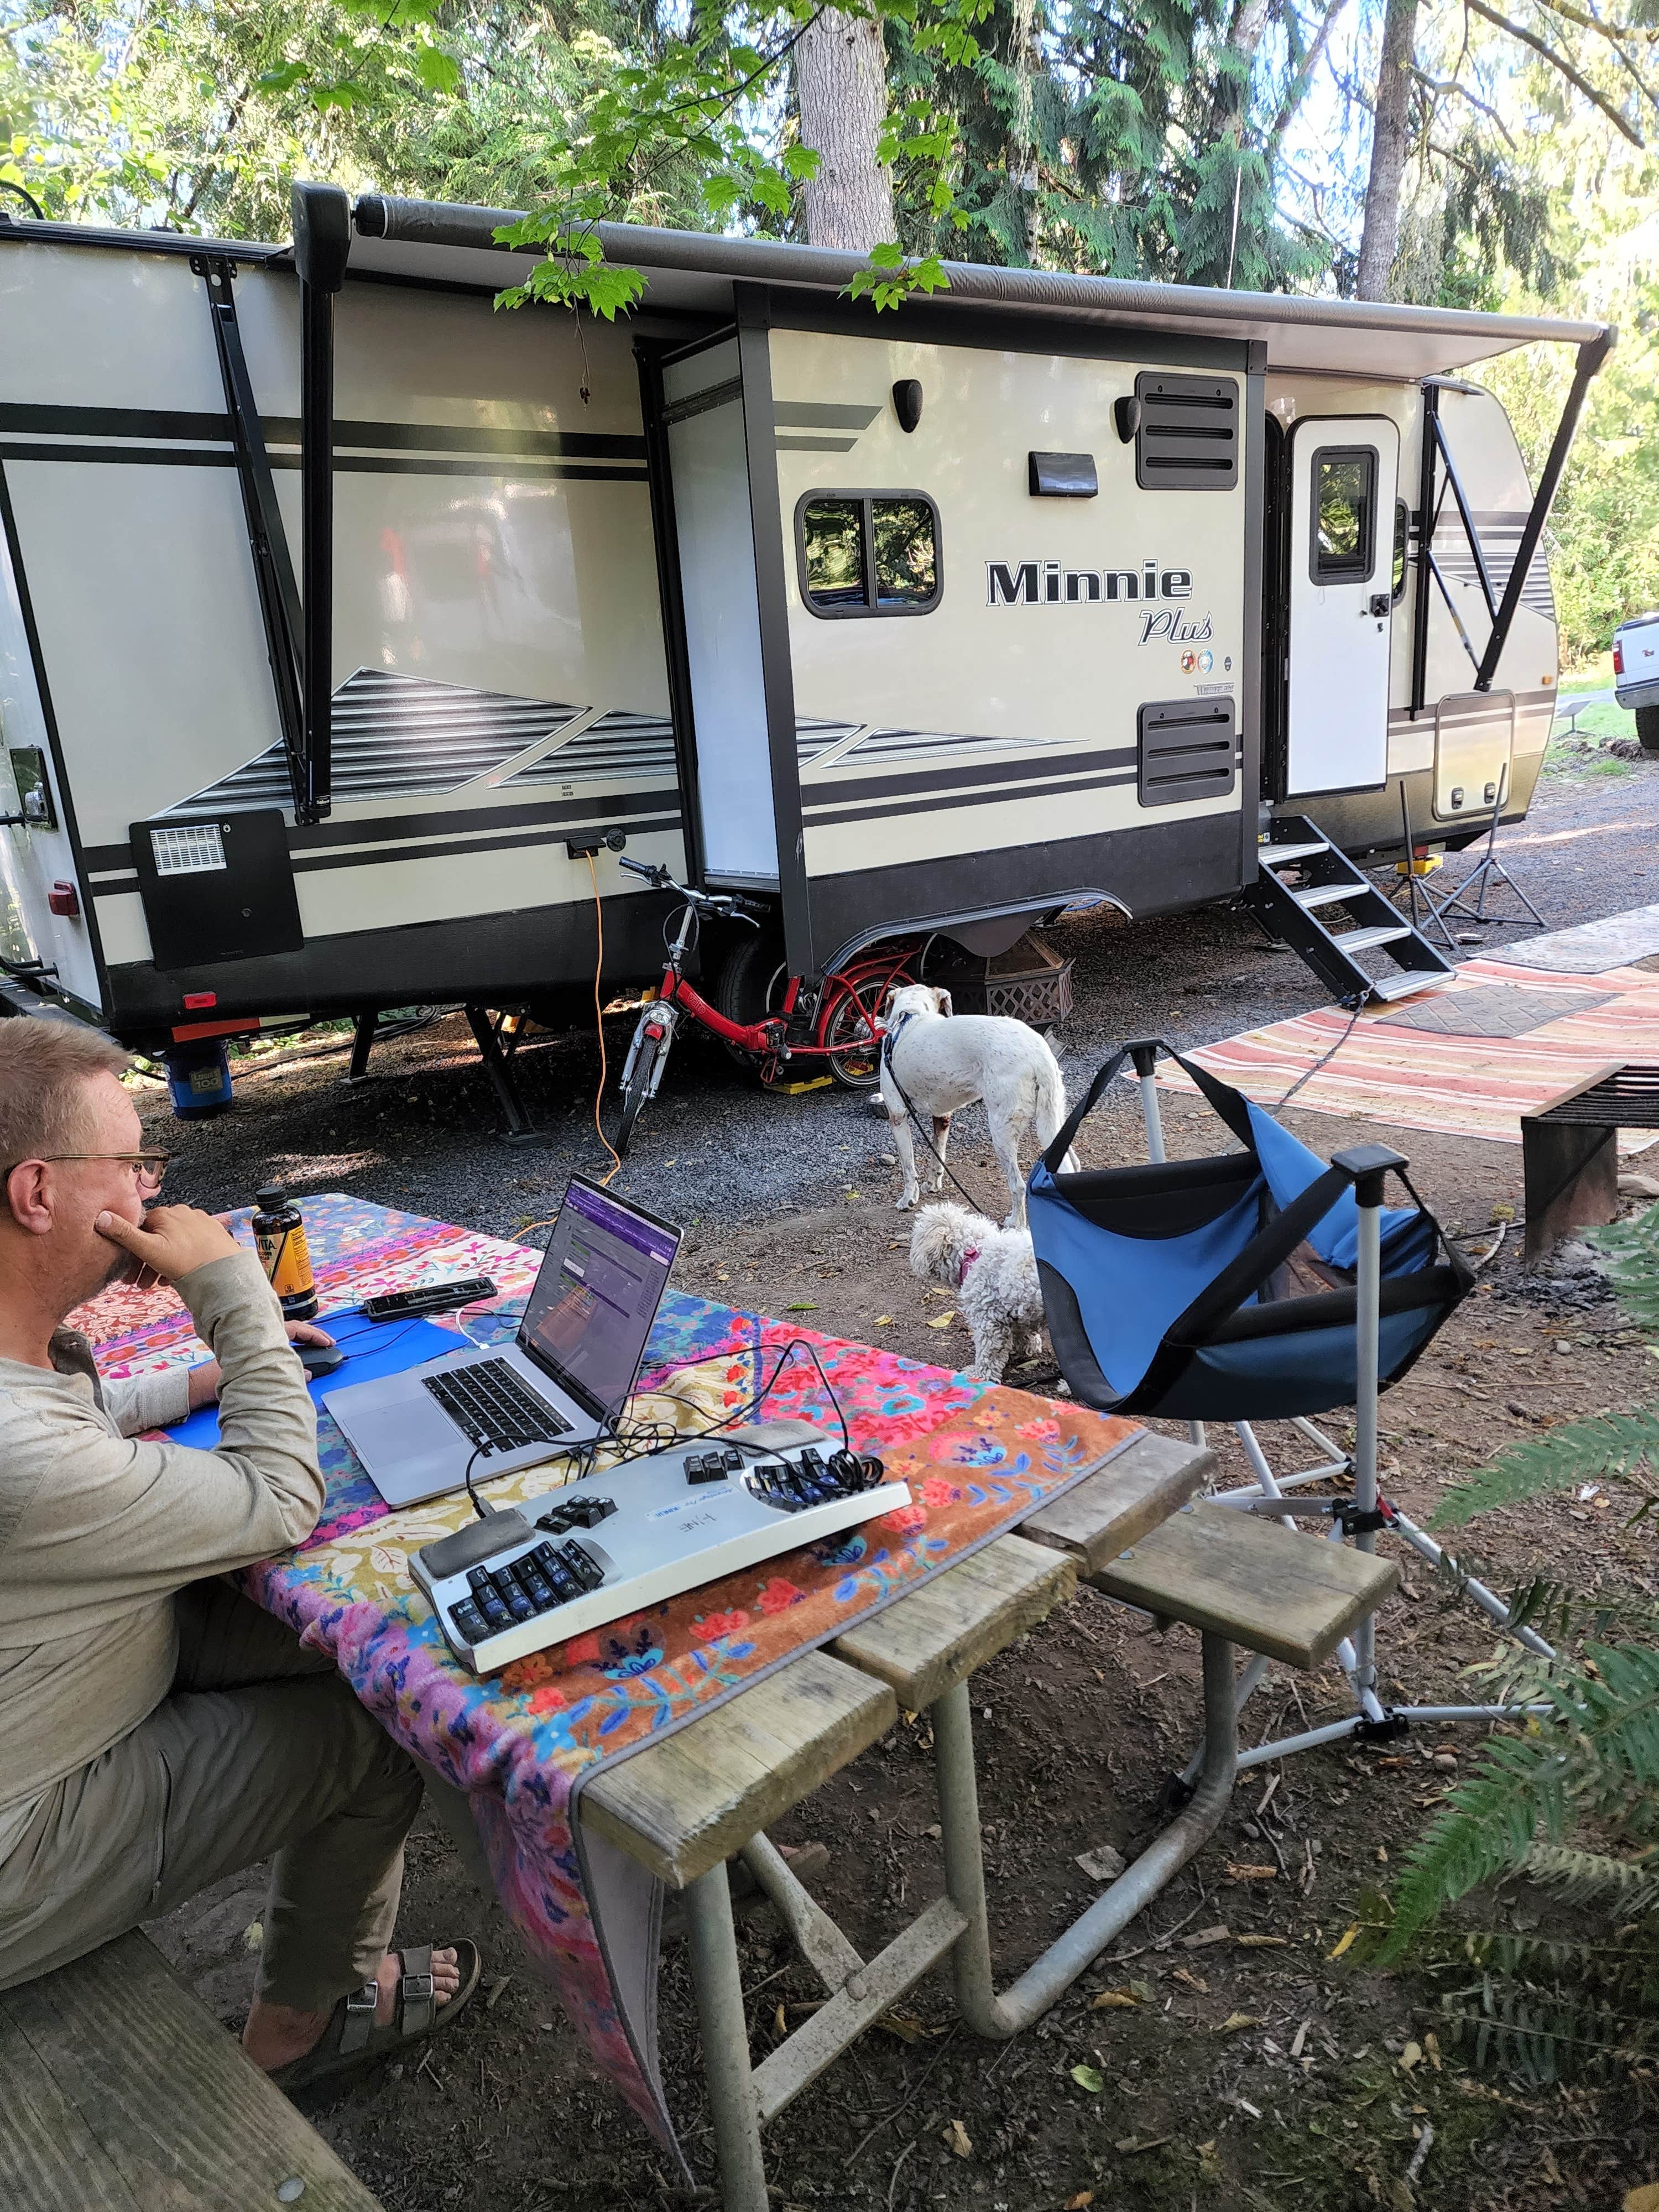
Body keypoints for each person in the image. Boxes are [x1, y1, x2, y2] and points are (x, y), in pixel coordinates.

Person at [0, 1018, 479, 2084]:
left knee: (364, 1642)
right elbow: (278, 1501)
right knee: (376, 1730)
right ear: (38, 1193)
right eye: (130, 1163)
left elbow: (69, 1413)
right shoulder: (20, 1458)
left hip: (76, 1676)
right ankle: (300, 2027)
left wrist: (195, 1382)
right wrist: (237, 1303)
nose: (148, 1191)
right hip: (25, 1842)